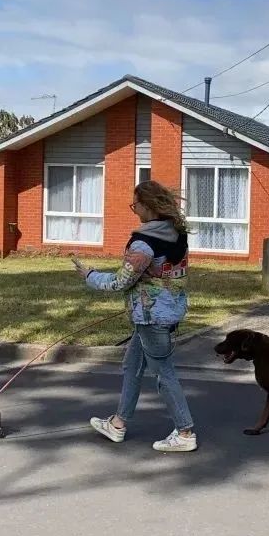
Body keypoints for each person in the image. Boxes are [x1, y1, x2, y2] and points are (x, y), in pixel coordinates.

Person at [73, 180, 197, 453]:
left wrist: (90, 276)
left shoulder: (144, 244)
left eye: (135, 205)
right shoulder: (176, 234)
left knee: (164, 373)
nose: (134, 210)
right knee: (132, 366)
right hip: (166, 310)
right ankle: (118, 424)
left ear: (148, 207)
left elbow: (121, 281)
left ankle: (185, 431)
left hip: (151, 318)